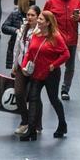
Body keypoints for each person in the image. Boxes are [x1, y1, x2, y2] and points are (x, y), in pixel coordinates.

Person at [19, 10, 70, 141]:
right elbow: (29, 53)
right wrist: (24, 65)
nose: (38, 21)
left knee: (53, 99)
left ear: (47, 22)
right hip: (37, 72)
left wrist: (54, 65)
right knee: (33, 98)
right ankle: (31, 130)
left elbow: (66, 54)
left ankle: (62, 124)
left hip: (51, 74)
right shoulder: (36, 35)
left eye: (41, 19)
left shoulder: (56, 37)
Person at [41, 0, 80, 101]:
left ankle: (65, 90)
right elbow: (44, 18)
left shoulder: (77, 1)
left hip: (72, 39)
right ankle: (52, 88)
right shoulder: (51, 2)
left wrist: (79, 17)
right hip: (56, 40)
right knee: (53, 65)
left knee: (70, 66)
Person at [10, 4, 41, 137]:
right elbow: (17, 48)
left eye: (32, 15)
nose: (29, 17)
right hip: (22, 66)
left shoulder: (41, 31)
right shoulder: (22, 29)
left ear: (38, 17)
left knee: (35, 97)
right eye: (28, 15)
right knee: (18, 93)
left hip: (36, 68)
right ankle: (25, 121)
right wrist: (14, 65)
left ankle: (37, 124)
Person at [1, 0, 37, 69]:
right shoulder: (15, 14)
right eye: (31, 0)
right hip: (16, 49)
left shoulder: (37, 13)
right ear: (25, 1)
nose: (33, 2)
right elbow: (4, 27)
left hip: (31, 50)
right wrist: (16, 31)